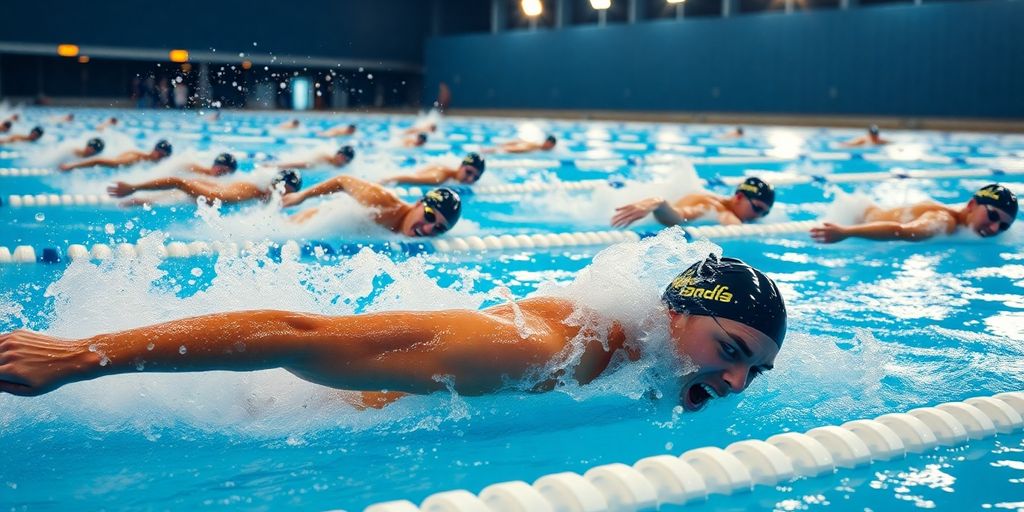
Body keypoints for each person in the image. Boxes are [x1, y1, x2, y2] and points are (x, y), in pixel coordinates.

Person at [0, 253, 786, 416]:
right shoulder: (542, 350)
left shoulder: (652, 357)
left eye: (758, 372)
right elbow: (297, 332)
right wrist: (81, 356)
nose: (737, 384)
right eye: (732, 355)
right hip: (272, 417)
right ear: (676, 315)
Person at [810, 183, 1018, 243]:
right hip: (859, 217)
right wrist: (846, 232)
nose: (994, 228)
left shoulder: (964, 219)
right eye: (992, 216)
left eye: (1003, 226)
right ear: (971, 204)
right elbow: (902, 231)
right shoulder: (944, 221)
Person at [283, 175, 462, 238]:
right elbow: (342, 181)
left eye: (439, 228)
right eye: (429, 216)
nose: (429, 228)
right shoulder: (384, 204)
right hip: (304, 224)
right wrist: (301, 196)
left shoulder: (412, 234)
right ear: (418, 204)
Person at [612, 177, 775, 228]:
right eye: (757, 208)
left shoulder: (717, 201)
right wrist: (657, 203)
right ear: (738, 197)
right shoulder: (714, 207)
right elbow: (677, 218)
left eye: (764, 213)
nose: (758, 216)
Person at [107, 169, 302, 207]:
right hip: (199, 199)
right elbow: (179, 182)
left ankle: (142, 200)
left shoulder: (258, 193)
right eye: (281, 192)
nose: (282, 197)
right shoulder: (246, 193)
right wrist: (134, 187)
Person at [59, 140, 172, 172]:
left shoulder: (147, 160)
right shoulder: (134, 159)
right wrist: (71, 166)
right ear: (154, 150)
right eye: (161, 154)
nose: (161, 158)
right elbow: (98, 161)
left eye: (164, 156)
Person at [381, 153, 485, 186]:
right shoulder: (438, 178)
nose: (470, 179)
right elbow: (410, 177)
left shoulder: (450, 173)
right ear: (460, 166)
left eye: (476, 177)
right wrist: (385, 181)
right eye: (469, 172)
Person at [275, 145, 354, 169]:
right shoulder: (323, 160)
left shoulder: (342, 166)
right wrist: (276, 166)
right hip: (296, 161)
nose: (344, 161)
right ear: (338, 154)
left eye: (347, 160)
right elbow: (299, 164)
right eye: (343, 157)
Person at [487, 135, 557, 154]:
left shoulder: (539, 146)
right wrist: (501, 149)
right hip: (520, 147)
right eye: (552, 145)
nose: (552, 147)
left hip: (521, 144)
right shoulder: (537, 146)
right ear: (548, 143)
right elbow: (521, 149)